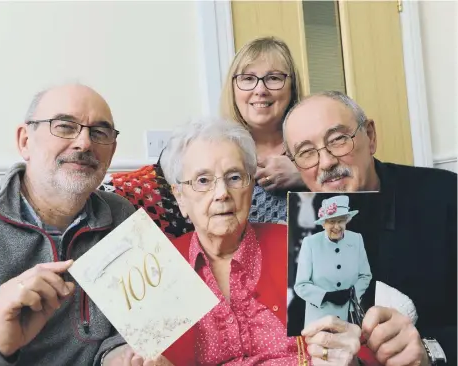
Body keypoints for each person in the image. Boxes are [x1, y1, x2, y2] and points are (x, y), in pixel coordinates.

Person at [153, 117, 381, 366]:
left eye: (234, 177)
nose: (222, 194)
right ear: (180, 197)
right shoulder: (158, 269)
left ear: (251, 186)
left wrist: (350, 359)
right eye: (203, 181)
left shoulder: (301, 244)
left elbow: (357, 344)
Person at [283, 90, 457, 366]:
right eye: (306, 153)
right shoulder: (298, 235)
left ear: (371, 137)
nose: (326, 162)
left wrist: (432, 350)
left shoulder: (447, 196)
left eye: (338, 140)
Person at [0, 83, 141, 366]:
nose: (84, 143)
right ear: (25, 141)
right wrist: (0, 345)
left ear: (112, 151)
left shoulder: (121, 216)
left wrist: (120, 355)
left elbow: (128, 326)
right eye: (64, 126)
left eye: (99, 132)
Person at [220, 36, 305, 223]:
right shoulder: (213, 148)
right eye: (248, 79)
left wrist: (304, 176)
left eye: (273, 78)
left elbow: (362, 194)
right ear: (233, 88)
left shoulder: (318, 145)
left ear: (292, 88)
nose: (260, 89)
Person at [294, 195, 372, 327]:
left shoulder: (356, 239)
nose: (337, 226)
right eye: (331, 221)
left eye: (341, 221)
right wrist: (326, 296)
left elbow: (365, 275)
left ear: (347, 220)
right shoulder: (310, 243)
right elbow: (301, 285)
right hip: (319, 319)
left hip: (349, 317)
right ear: (324, 223)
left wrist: (352, 295)